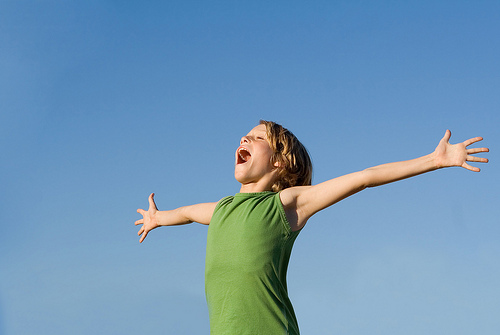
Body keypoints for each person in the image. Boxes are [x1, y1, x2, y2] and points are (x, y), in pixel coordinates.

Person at [135, 120, 489, 335]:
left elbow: (362, 179)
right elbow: (185, 212)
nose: (243, 140)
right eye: (243, 136)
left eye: (256, 138)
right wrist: (157, 218)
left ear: (279, 161)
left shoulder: (285, 205)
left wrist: (433, 160)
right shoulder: (222, 209)